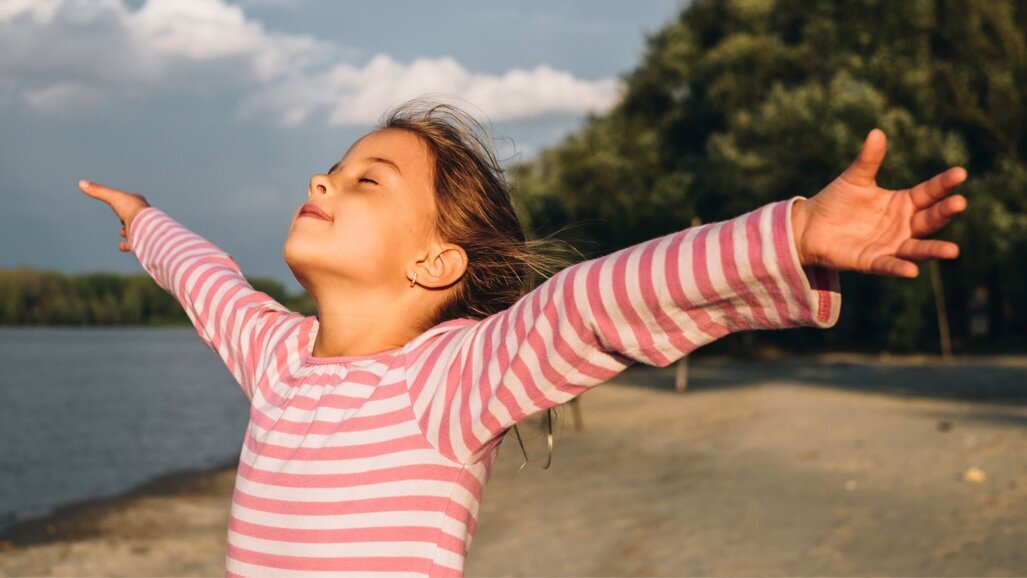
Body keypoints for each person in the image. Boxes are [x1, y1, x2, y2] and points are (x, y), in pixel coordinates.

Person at [80, 97, 968, 577]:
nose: (322, 180)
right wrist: (145, 221)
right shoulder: (277, 359)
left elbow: (593, 303)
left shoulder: (450, 379)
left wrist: (792, 234)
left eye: (365, 179)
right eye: (334, 169)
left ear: (436, 262)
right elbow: (206, 282)